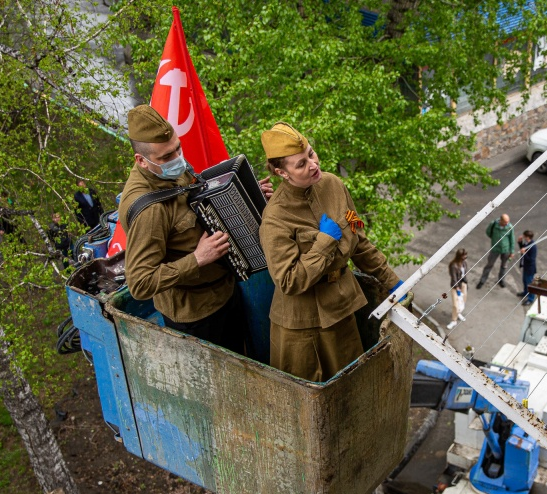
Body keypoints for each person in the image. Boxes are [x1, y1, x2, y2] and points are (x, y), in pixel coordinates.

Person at [258, 122, 401, 382]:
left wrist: (393, 281)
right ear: (282, 172)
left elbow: (359, 240)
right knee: (311, 401)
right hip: (301, 327)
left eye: (311, 154)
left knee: (351, 384)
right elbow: (288, 281)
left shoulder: (334, 185)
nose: (313, 165)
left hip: (342, 309)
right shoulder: (275, 218)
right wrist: (324, 242)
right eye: (300, 164)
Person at [120, 104, 250, 354]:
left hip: (224, 291)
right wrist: (197, 259)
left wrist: (242, 195)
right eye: (166, 156)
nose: (177, 158)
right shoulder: (150, 210)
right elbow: (139, 283)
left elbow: (194, 201)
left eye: (177, 148)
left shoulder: (169, 171)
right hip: (197, 316)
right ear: (141, 161)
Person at [475, 214, 514, 290]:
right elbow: (488, 232)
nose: (507, 223)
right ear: (501, 220)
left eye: (508, 222)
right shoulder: (493, 224)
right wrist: (494, 240)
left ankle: (501, 280)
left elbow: (512, 239)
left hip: (505, 249)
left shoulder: (510, 227)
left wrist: (511, 251)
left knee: (504, 265)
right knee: (489, 264)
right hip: (495, 248)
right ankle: (482, 280)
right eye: (505, 222)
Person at [447, 249, 468, 331]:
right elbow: (454, 277)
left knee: (462, 301)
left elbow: (465, 274)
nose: (465, 257)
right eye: (464, 256)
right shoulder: (453, 265)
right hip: (456, 287)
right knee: (455, 304)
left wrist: (465, 283)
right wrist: (457, 288)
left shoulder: (464, 263)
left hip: (463, 284)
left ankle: (458, 313)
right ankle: (453, 320)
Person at [516, 230, 537, 305]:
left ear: (527, 237)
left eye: (524, 236)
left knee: (529, 283)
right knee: (524, 281)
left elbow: (531, 259)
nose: (523, 237)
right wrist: (520, 243)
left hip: (529, 268)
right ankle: (525, 292)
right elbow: (523, 249)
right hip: (525, 266)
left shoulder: (533, 246)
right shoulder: (527, 243)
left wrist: (524, 253)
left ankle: (531, 298)